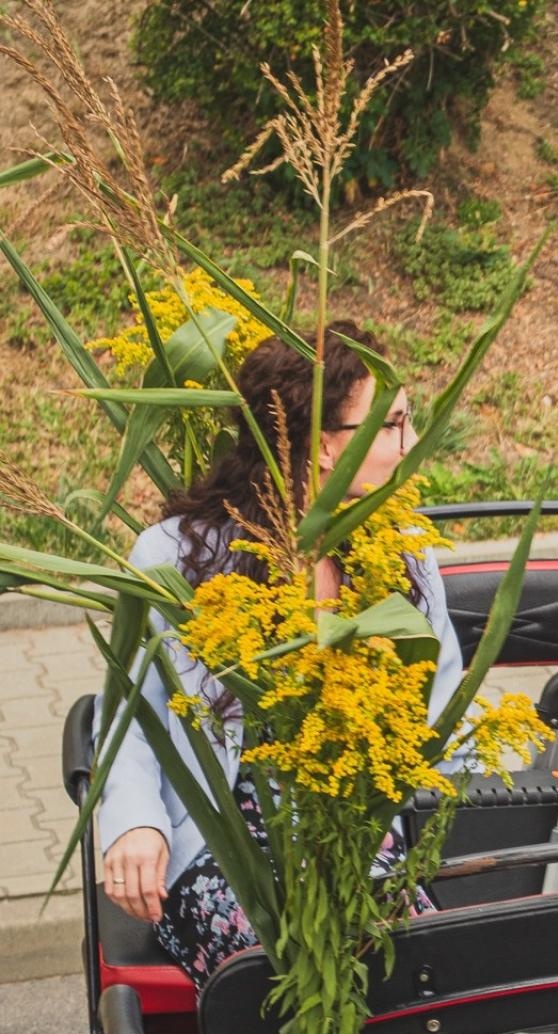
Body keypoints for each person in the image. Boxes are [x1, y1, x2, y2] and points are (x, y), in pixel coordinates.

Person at [97, 324, 462, 996]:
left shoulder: (404, 551)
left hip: (355, 833)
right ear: (322, 445)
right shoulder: (178, 557)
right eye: (393, 424)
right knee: (280, 984)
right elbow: (128, 714)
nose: (410, 446)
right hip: (217, 842)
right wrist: (132, 824)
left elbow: (440, 710)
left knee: (422, 981)